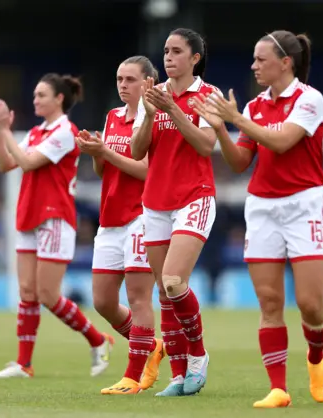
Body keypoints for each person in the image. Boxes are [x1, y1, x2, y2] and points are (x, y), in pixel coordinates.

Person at [194, 30, 323, 408]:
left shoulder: (309, 99)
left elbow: (283, 141)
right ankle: (279, 389)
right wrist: (222, 128)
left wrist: (234, 117)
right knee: (269, 301)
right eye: (253, 59)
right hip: (263, 207)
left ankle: (316, 357)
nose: (253, 65)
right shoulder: (254, 106)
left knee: (310, 304)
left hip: (304, 205)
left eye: (261, 59)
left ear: (285, 62)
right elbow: (240, 163)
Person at [0, 73, 114, 379]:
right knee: (27, 291)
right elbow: (6, 165)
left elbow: (27, 163)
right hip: (29, 214)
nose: (35, 100)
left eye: (41, 95)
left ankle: (99, 340)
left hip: (54, 217)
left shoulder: (66, 132)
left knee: (48, 294)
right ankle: (24, 364)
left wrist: (7, 132)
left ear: (59, 99)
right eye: (34, 95)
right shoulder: (37, 132)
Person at [130, 27, 218, 397]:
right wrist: (150, 114)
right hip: (156, 202)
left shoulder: (207, 95)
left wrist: (174, 113)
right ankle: (178, 376)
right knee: (165, 295)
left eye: (177, 51)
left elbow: (207, 144)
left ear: (194, 58)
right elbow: (136, 152)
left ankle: (198, 356)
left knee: (173, 281)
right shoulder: (152, 94)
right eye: (166, 51)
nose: (168, 57)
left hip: (194, 197)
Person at [75, 56, 165, 395]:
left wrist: (106, 153)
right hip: (110, 219)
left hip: (142, 216)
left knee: (139, 298)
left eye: (130, 79)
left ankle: (133, 376)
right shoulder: (113, 117)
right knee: (102, 301)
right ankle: (151, 347)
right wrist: (96, 153)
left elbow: (147, 170)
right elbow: (104, 172)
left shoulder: (153, 119)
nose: (123, 85)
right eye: (119, 79)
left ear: (149, 83)